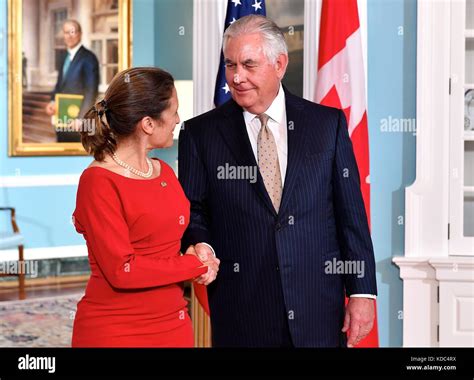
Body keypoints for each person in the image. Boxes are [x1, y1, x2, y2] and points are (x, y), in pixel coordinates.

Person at [179, 15, 377, 347]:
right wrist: (203, 244)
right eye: (230, 65)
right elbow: (193, 209)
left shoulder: (327, 125)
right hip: (241, 310)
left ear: (280, 64)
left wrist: (361, 291)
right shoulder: (200, 134)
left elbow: (351, 217)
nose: (237, 77)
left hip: (318, 309)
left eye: (248, 64)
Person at [71, 67, 220, 347]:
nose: (178, 119)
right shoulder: (98, 181)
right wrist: (192, 264)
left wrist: (196, 248)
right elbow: (122, 270)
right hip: (117, 330)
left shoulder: (163, 171)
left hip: (174, 324)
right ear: (148, 124)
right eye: (174, 111)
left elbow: (173, 236)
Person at [45, 19, 99, 142]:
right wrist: (53, 101)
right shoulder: (64, 57)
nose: (68, 36)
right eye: (65, 32)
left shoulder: (89, 58)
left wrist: (81, 118)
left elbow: (91, 91)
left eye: (72, 32)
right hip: (62, 118)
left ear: (80, 34)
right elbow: (60, 84)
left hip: (79, 121)